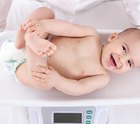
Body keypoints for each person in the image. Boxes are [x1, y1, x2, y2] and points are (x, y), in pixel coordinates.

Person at [1, 7, 140, 96]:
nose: (122, 59)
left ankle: (29, 39)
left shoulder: (102, 77)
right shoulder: (91, 35)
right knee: (46, 12)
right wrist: (44, 26)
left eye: (130, 63)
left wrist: (57, 81)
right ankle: (23, 39)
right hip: (42, 40)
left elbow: (80, 87)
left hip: (30, 67)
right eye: (124, 49)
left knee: (43, 85)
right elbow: (66, 28)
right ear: (113, 37)